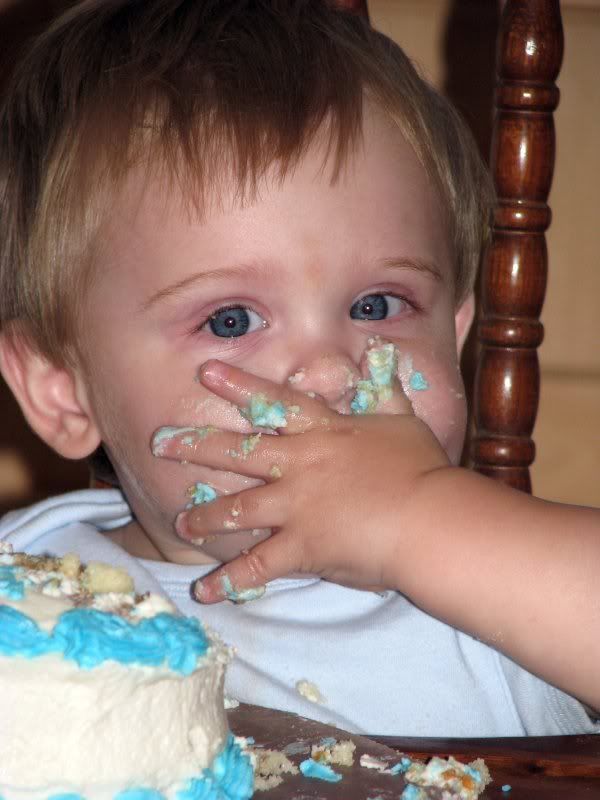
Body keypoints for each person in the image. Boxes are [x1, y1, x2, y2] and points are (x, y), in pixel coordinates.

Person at [0, 0, 598, 737]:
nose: (327, 372)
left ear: (455, 333)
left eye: (378, 306)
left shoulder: (500, 589)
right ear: (62, 390)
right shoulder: (27, 585)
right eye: (231, 320)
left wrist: (414, 519)